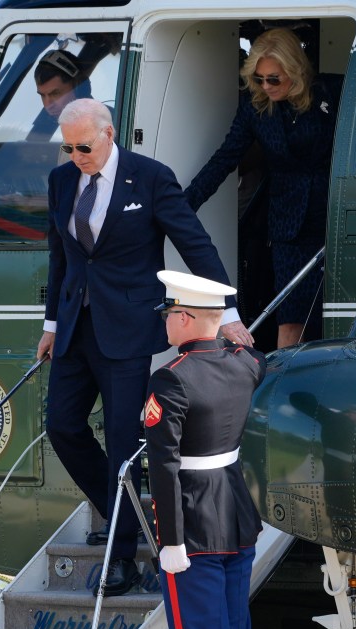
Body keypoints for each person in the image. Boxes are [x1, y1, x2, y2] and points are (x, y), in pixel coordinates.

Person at [36, 98, 253, 597]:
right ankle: (121, 513)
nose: (75, 156)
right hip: (75, 324)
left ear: (109, 134)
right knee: (62, 427)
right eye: (67, 147)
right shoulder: (61, 181)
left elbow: (194, 242)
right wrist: (51, 322)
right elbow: (60, 256)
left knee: (120, 437)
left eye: (83, 147)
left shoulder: (150, 177)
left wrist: (228, 313)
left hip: (128, 327)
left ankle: (122, 553)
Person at [184, 27, 342, 349]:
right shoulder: (255, 107)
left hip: (336, 218)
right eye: (259, 79)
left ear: (295, 72)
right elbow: (225, 158)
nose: (266, 86)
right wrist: (183, 205)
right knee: (290, 318)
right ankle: (281, 394)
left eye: (274, 79)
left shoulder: (330, 92)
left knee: (334, 317)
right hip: (288, 227)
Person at [145, 270, 265, 629]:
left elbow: (164, 466)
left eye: (168, 312)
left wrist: (171, 541)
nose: (165, 320)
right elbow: (259, 358)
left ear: (184, 317)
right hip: (237, 518)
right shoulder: (248, 363)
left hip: (193, 527)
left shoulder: (171, 378)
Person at [28, 49, 92, 142]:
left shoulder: (103, 128)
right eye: (42, 95)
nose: (48, 105)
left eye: (55, 94)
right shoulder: (48, 128)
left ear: (79, 89)